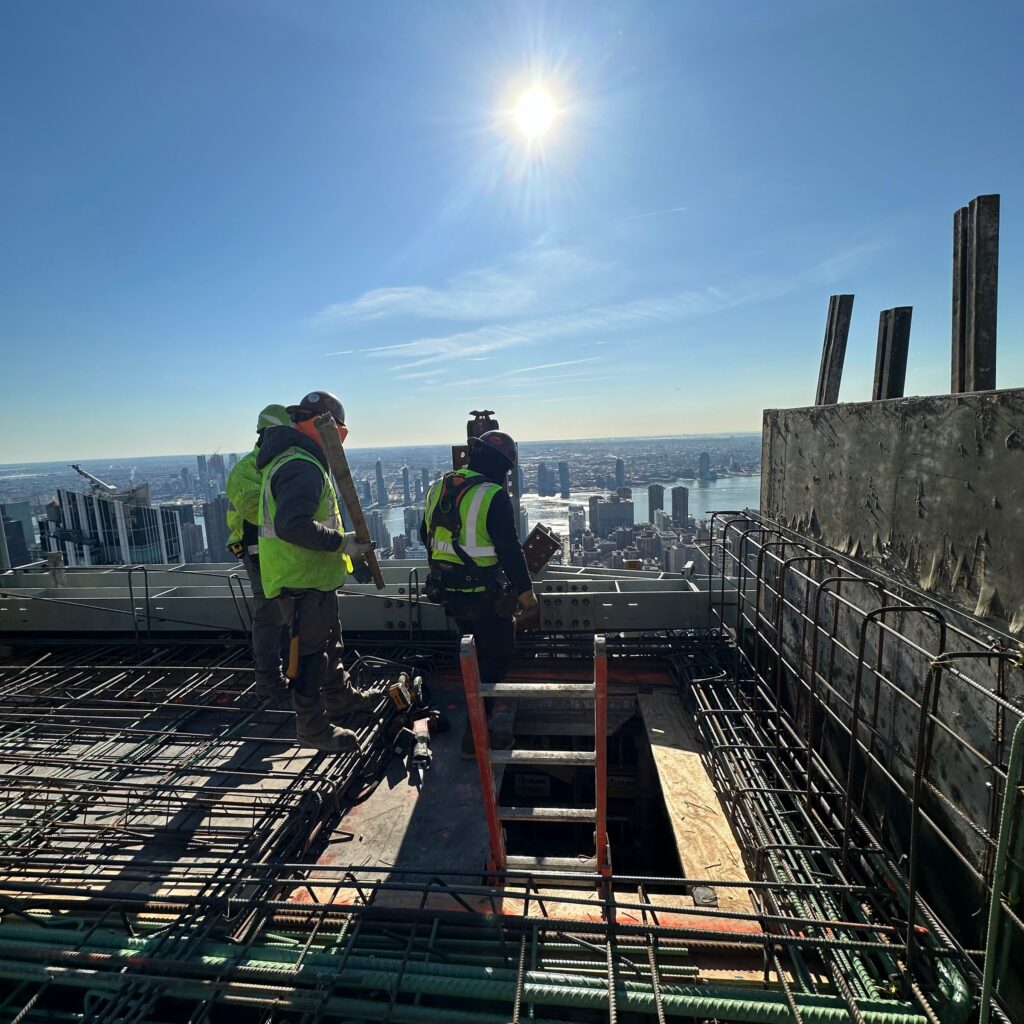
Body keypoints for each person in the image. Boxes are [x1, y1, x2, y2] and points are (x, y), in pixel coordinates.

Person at [256, 390, 376, 752]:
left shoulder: (297, 459)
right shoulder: (301, 465)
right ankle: (312, 728)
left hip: (314, 578)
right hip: (301, 581)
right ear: (331, 428)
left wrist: (343, 554)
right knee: (309, 657)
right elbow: (293, 525)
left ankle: (341, 699)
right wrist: (343, 544)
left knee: (328, 646)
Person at [420, 430, 539, 758]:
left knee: (470, 655)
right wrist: (526, 595)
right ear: (503, 466)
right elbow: (510, 550)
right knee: (496, 658)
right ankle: (476, 736)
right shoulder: (492, 495)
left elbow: (424, 533)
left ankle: (476, 723)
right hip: (483, 596)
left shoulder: (440, 486)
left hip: (448, 592)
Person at [226, 403, 291, 704]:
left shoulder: (276, 463)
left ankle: (290, 671)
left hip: (280, 550)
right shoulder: (249, 468)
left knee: (288, 612)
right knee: (269, 614)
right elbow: (257, 511)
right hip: (258, 552)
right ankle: (268, 680)